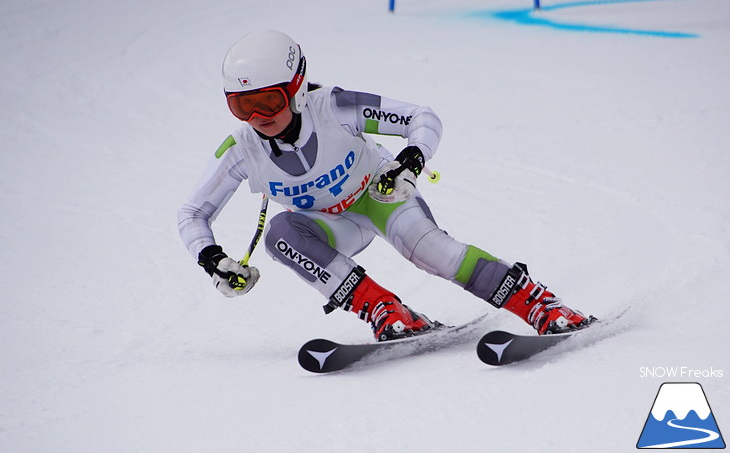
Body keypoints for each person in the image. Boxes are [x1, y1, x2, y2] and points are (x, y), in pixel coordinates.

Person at [177, 29, 593, 342]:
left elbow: (422, 117)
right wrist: (211, 258)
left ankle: (538, 303)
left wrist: (411, 160)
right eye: (242, 105)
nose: (258, 116)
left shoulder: (337, 107)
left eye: (269, 101)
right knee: (281, 234)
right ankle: (386, 310)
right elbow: (193, 213)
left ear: (298, 88)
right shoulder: (241, 149)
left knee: (433, 253)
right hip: (327, 226)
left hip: (380, 196)